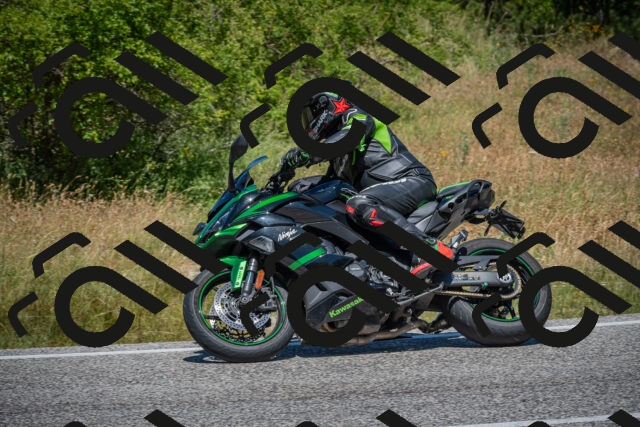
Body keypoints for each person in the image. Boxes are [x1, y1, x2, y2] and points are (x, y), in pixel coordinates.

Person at [281, 91, 455, 290]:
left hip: (413, 180)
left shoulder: (357, 117)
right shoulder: (338, 160)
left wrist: (308, 153)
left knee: (359, 204)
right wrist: (289, 186)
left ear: (328, 107)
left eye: (310, 116)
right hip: (384, 197)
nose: (308, 122)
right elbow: (328, 186)